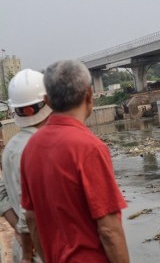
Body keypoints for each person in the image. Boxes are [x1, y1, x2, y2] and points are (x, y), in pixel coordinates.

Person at [20, 60, 130, 262]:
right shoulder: (89, 147)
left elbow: (31, 218)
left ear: (48, 102)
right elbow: (109, 230)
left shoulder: (30, 148)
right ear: (89, 94)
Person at [0, 69, 52, 262]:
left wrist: (20, 235)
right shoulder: (42, 149)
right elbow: (29, 214)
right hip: (43, 251)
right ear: (48, 101)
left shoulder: (10, 146)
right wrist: (27, 252)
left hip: (23, 248)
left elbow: (2, 194)